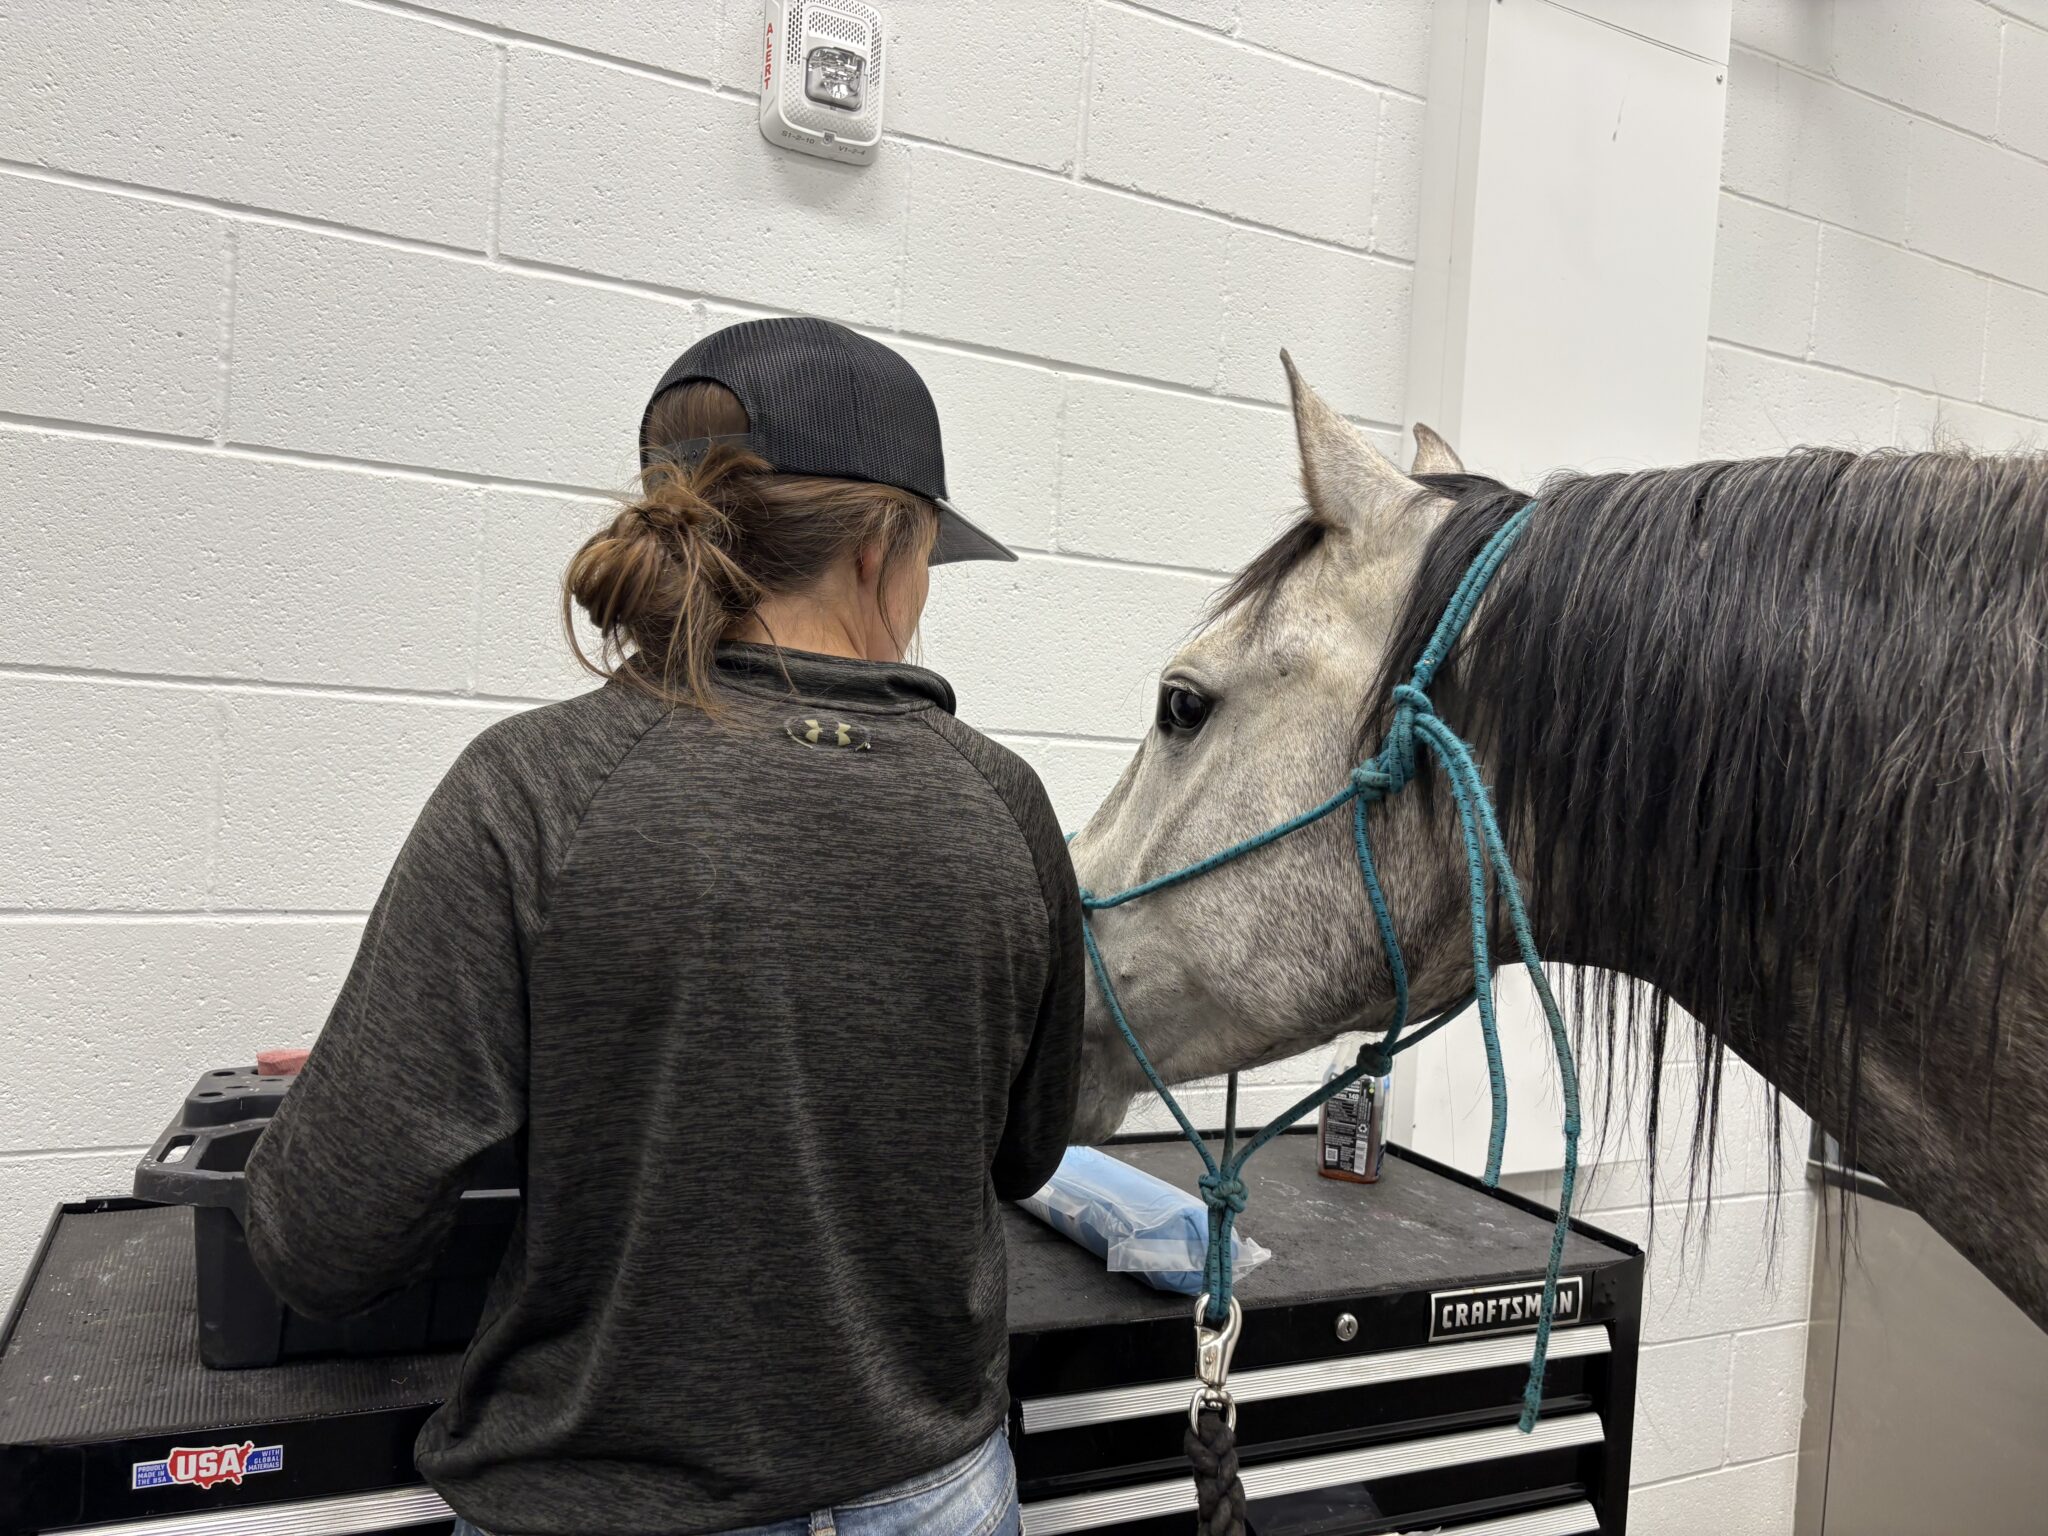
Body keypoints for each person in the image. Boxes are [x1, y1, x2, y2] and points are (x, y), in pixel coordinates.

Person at [242, 316, 1087, 1536]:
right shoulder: (1002, 804)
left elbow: (320, 1244)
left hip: (594, 1504)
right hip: (933, 1496)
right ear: (881, 551)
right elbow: (1023, 1156)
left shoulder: (532, 787)